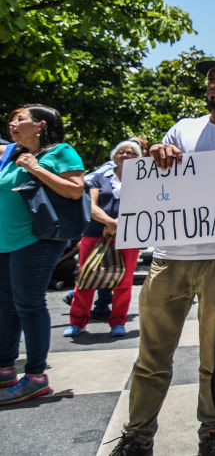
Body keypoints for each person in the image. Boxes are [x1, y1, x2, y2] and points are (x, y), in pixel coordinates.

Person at [110, 56, 215, 456]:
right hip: (168, 256)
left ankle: (213, 435)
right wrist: (156, 152)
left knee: (214, 358)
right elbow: (153, 175)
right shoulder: (183, 129)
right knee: (151, 358)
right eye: (212, 78)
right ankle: (137, 437)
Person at [0, 104, 86, 405]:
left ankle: (36, 376)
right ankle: (5, 369)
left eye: (19, 119)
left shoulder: (60, 152)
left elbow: (76, 191)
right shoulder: (10, 155)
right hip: (5, 243)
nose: (12, 123)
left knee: (29, 304)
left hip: (36, 241)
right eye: (11, 119)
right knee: (5, 307)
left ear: (40, 126)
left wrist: (35, 169)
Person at [64, 139, 143, 338]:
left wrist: (120, 225)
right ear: (114, 156)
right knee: (86, 278)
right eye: (121, 152)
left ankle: (118, 321)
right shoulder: (100, 177)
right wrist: (110, 222)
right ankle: (77, 321)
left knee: (124, 282)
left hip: (128, 235)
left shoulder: (143, 179)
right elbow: (91, 204)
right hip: (94, 232)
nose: (125, 155)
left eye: (131, 153)